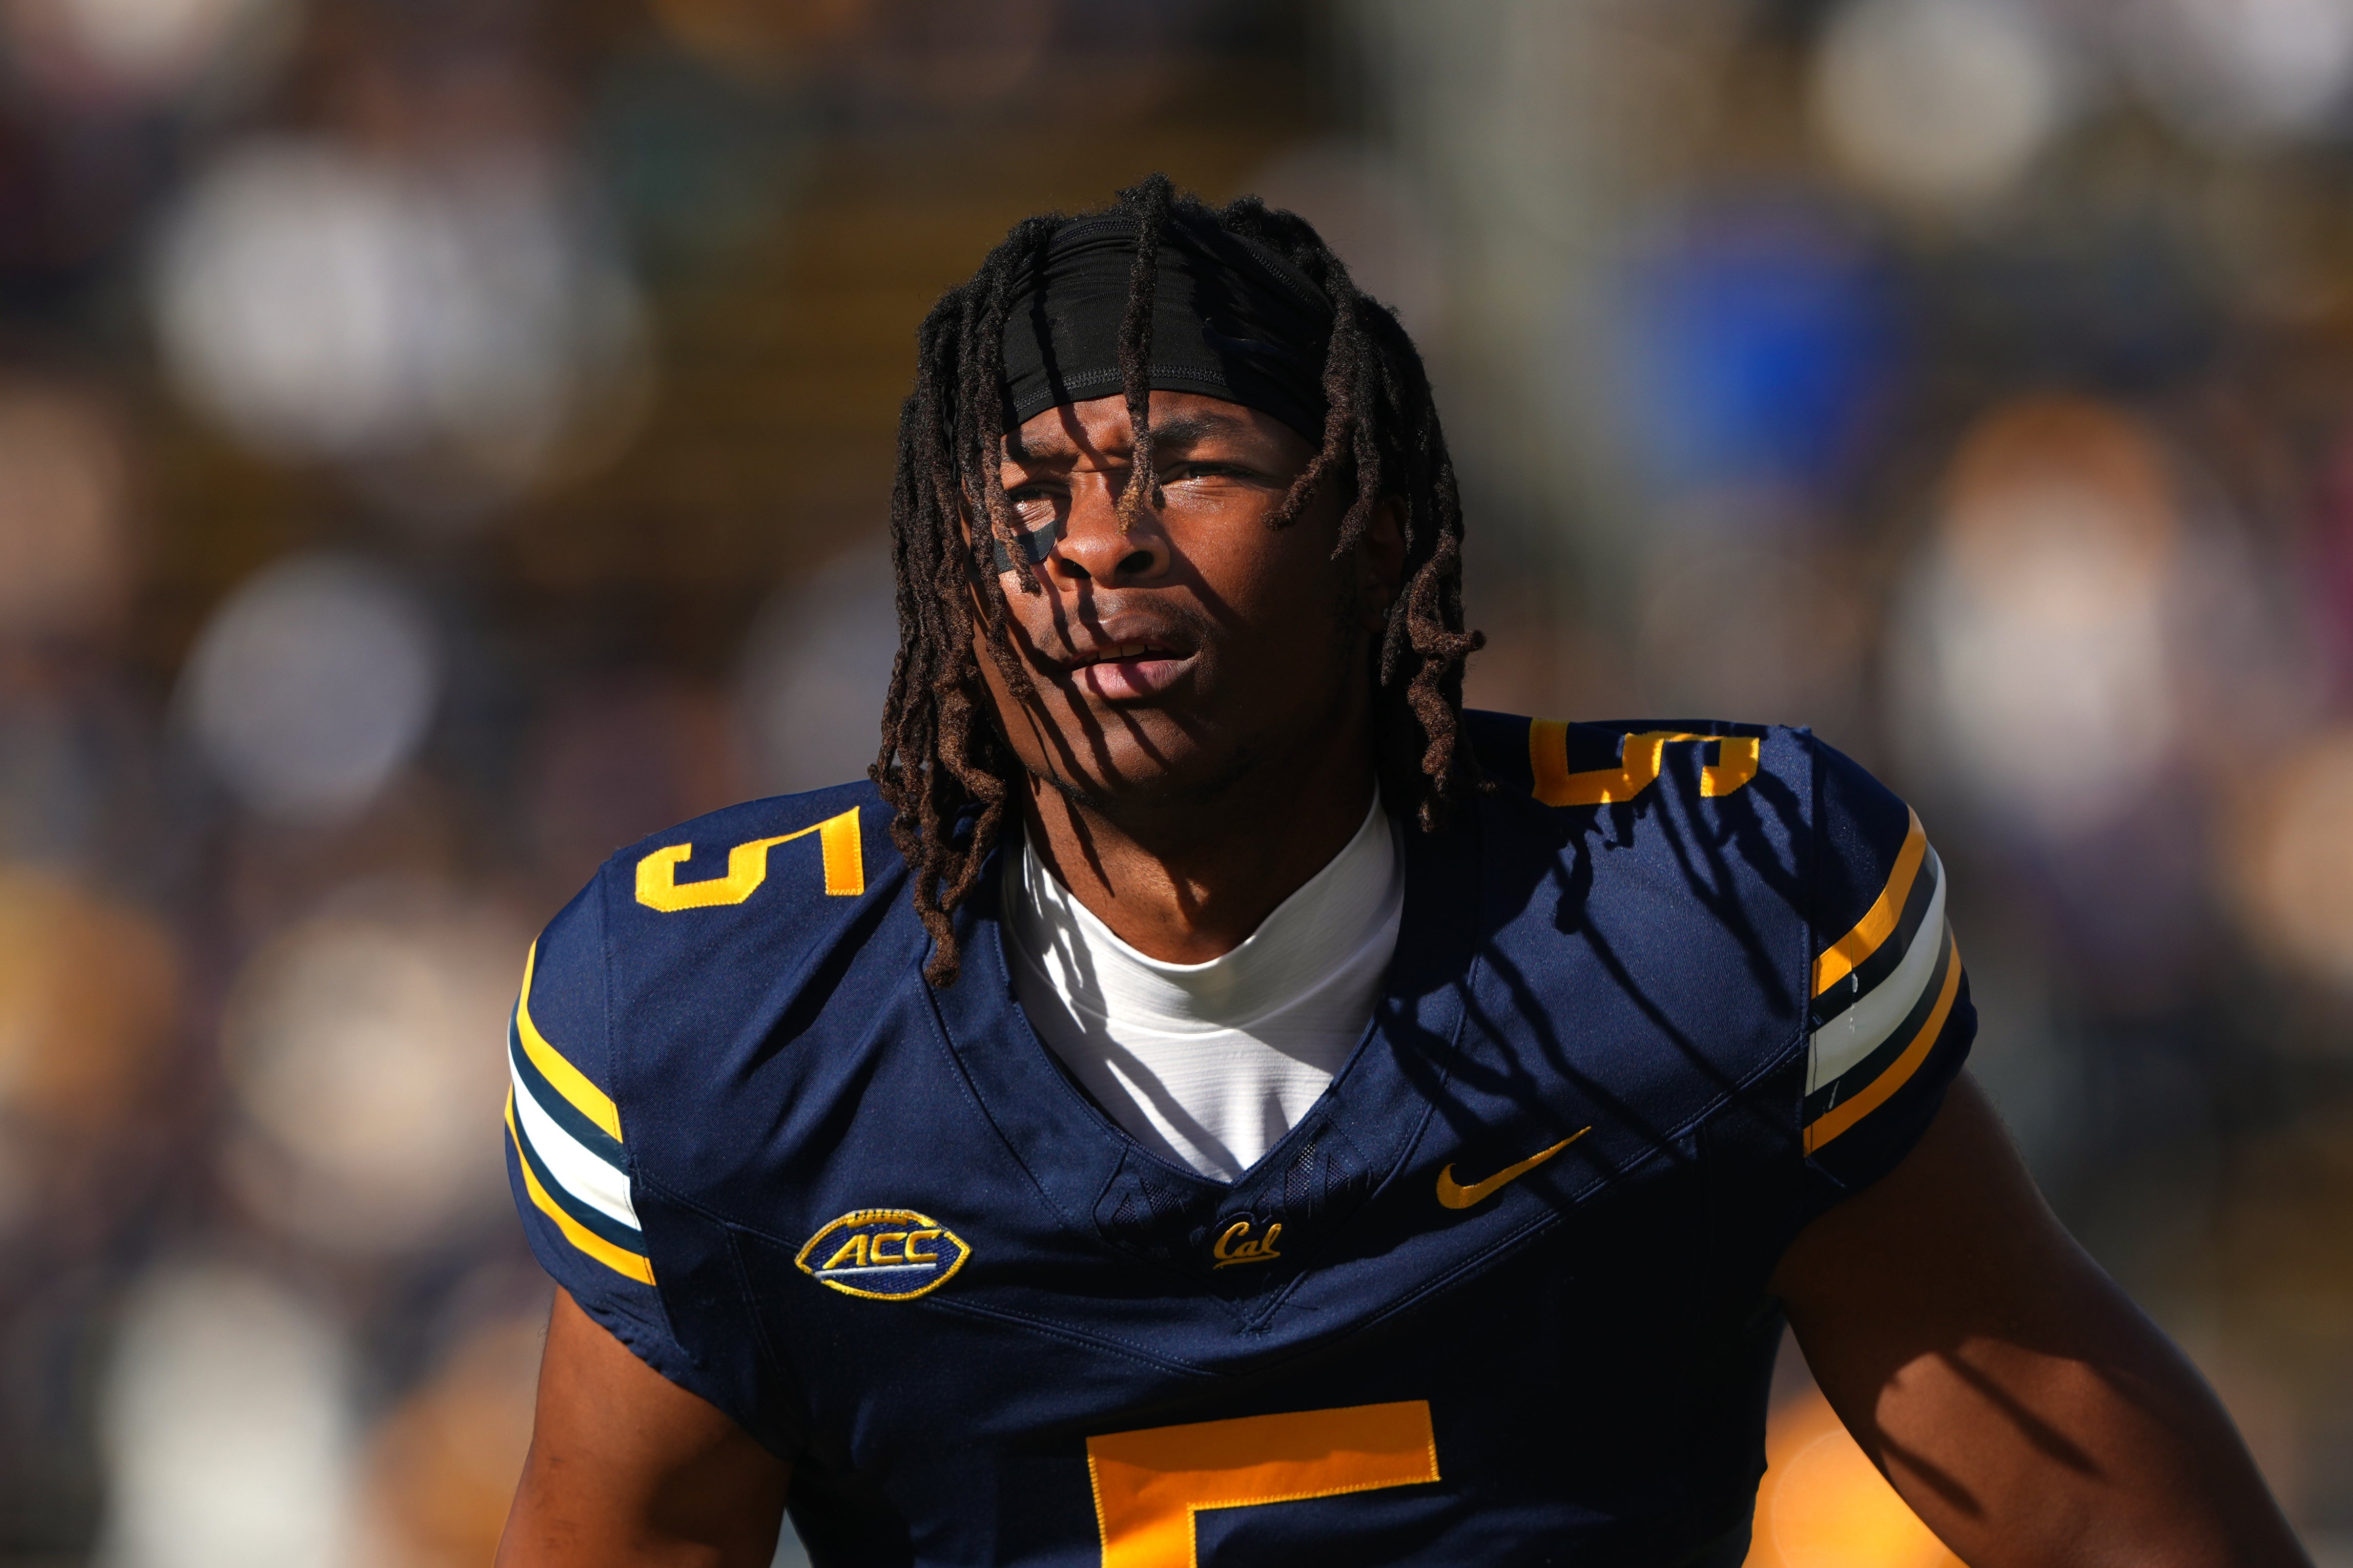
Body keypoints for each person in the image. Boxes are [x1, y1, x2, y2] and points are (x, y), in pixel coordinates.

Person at [496, 177, 2307, 1567]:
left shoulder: (1683, 931)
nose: (1099, 548)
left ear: (1377, 525)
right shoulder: (734, 1026)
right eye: (1030, 489)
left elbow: (2100, 1517)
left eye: (1184, 463)